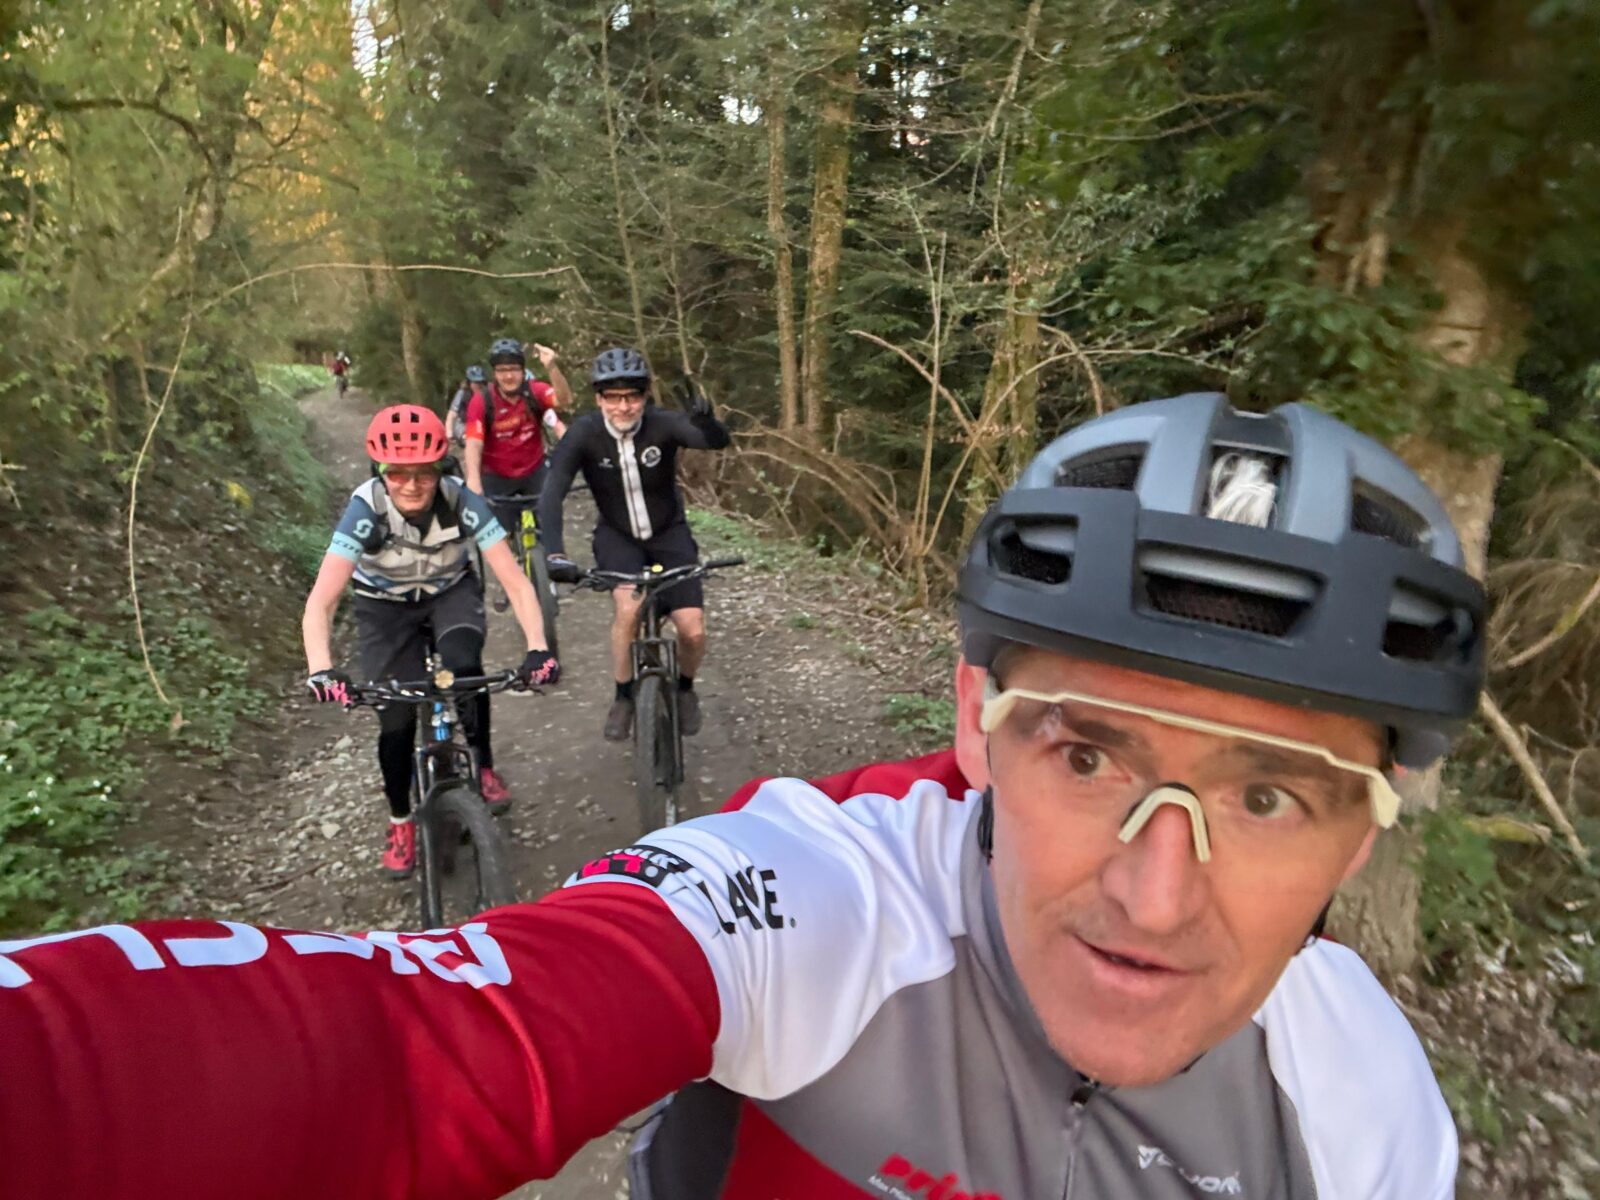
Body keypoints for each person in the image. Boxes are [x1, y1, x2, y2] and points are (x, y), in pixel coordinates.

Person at [0, 394, 1484, 1199]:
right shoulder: (827, 901)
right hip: (472, 593)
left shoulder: (1362, 1110)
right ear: (971, 724)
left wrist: (582, 562)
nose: (1156, 899)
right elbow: (402, 1046)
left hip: (609, 564)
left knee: (671, 625)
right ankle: (488, 761)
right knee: (573, 640)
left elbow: (535, 543)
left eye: (1273, 798)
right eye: (1086, 756)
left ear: (1371, 826)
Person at [300, 404, 560, 876]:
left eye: (424, 473)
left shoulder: (463, 501)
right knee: (395, 719)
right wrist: (321, 668)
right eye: (397, 474)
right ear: (380, 473)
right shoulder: (365, 509)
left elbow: (515, 581)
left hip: (449, 593)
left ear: (441, 468)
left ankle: (482, 765)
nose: (411, 485)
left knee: (465, 668)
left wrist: (538, 648)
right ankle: (400, 819)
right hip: (383, 606)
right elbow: (322, 600)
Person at [539, 347, 732, 740]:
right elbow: (551, 493)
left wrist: (708, 424)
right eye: (613, 397)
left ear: (645, 396)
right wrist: (555, 552)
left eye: (632, 396)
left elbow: (714, 442)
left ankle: (685, 689)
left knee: (692, 630)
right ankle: (624, 695)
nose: (623, 406)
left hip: (669, 534)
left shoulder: (662, 424)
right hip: (618, 536)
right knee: (628, 609)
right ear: (599, 399)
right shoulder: (584, 434)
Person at [463, 337, 571, 532]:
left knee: (550, 522)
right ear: (494, 373)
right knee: (499, 533)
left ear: (522, 371)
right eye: (502, 370)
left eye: (513, 369)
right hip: (496, 475)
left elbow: (564, 401)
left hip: (534, 470)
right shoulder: (482, 401)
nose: (508, 376)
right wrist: (473, 480)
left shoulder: (534, 391)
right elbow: (474, 443)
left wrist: (552, 367)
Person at [446, 364, 488, 445]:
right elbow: (452, 414)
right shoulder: (462, 394)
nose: (478, 385)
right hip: (463, 428)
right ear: (469, 383)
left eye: (481, 382)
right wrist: (449, 434)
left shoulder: (487, 395)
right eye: (475, 382)